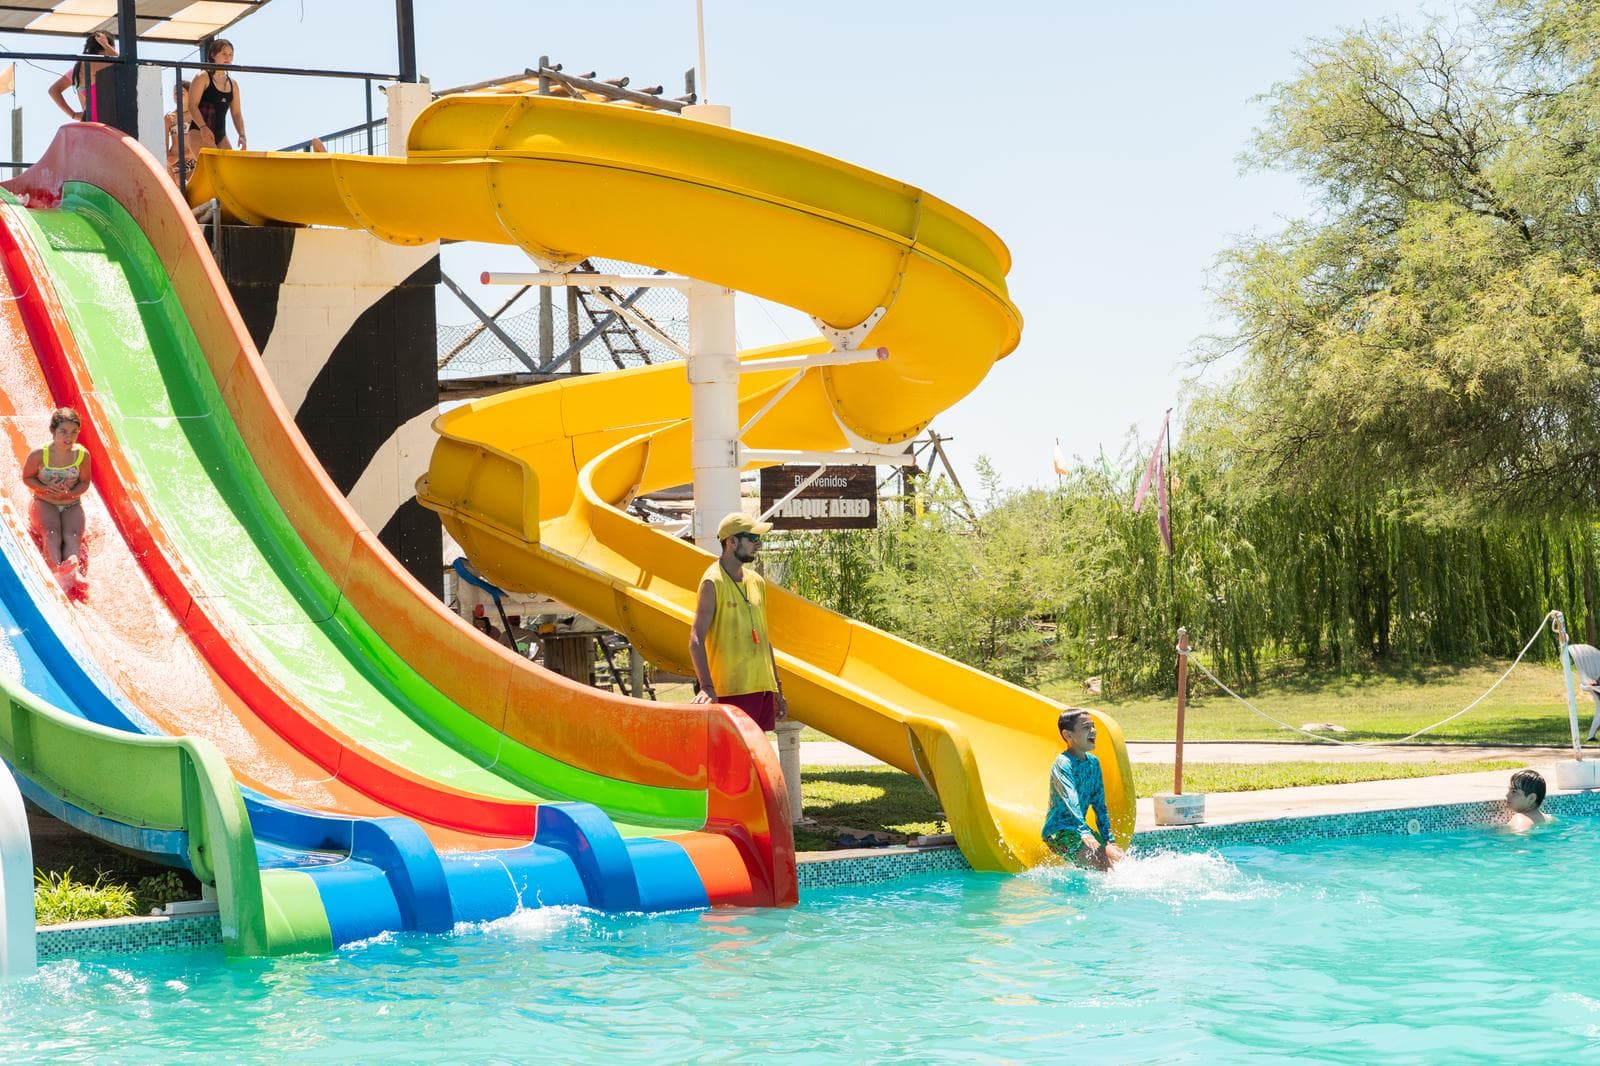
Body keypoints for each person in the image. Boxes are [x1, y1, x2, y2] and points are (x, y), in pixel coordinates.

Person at [688, 513, 788, 732]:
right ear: (732, 542)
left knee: (757, 751)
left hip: (762, 688)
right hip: (732, 690)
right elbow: (696, 638)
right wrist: (706, 686)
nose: (759, 544)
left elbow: (764, 639)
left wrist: (777, 688)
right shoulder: (712, 582)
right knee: (734, 752)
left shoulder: (756, 581)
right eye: (752, 538)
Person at [1042, 709, 1126, 870]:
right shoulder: (1063, 763)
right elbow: (1070, 798)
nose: (1093, 731)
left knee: (1119, 859)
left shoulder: (1093, 763)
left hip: (1080, 828)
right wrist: (1083, 831)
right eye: (1086, 727)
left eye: (1093, 726)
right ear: (1068, 735)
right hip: (1059, 832)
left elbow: (1099, 804)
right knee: (1103, 866)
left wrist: (1109, 840)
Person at [22, 407, 93, 593]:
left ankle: (71, 569)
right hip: (44, 502)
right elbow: (27, 478)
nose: (69, 437)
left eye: (74, 432)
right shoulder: (40, 454)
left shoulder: (81, 455)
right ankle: (56, 569)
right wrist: (45, 488)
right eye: (63, 431)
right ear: (53, 430)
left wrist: (70, 494)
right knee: (52, 533)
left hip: (71, 503)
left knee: (73, 535)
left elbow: (85, 482)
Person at [186, 39, 247, 151]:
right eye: (224, 54)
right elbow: (192, 105)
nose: (228, 58)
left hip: (221, 136)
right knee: (214, 162)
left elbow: (237, 113)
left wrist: (242, 135)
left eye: (230, 55)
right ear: (213, 55)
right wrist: (203, 127)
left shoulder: (233, 84)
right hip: (199, 131)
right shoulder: (202, 77)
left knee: (231, 162)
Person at [47, 31, 118, 124]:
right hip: (104, 122)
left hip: (88, 122)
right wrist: (106, 45)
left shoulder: (77, 69)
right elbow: (123, 65)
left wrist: (73, 115)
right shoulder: (98, 64)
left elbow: (53, 90)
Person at [165, 80, 213, 181]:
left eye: (181, 92)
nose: (177, 95)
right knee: (177, 184)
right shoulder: (169, 118)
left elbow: (205, 141)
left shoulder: (197, 116)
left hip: (193, 158)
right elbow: (164, 145)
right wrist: (170, 159)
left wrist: (182, 155)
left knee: (196, 184)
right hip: (175, 162)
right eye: (175, 93)